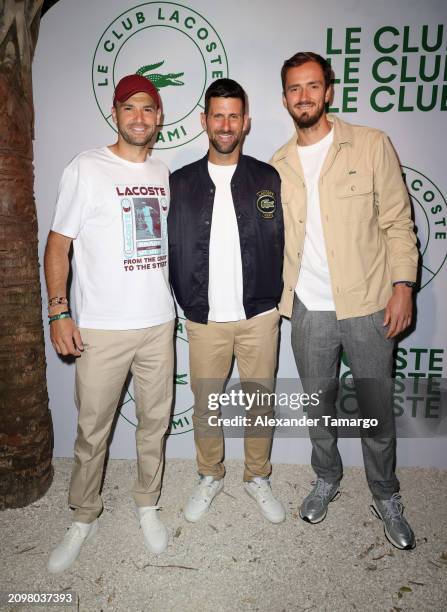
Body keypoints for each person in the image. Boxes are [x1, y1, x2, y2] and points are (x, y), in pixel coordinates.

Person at [270, 52, 419, 549]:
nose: (304, 96)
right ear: (285, 97)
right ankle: (327, 477)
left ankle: (385, 492)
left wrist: (403, 285)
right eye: (295, 88)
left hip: (368, 303)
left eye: (313, 86)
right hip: (308, 308)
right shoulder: (279, 164)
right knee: (319, 407)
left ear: (329, 91)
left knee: (375, 409)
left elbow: (398, 221)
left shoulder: (371, 144)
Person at [44, 74, 175, 573]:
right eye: (130, 108)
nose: (139, 117)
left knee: (154, 423)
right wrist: (59, 311)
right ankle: (84, 514)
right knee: (92, 430)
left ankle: (147, 502)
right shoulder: (86, 167)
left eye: (148, 109)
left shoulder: (163, 172)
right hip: (100, 327)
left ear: (158, 117)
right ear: (115, 113)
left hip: (158, 323)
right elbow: (58, 243)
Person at [168, 78, 285, 524]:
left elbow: (285, 240)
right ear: (204, 120)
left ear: (246, 122)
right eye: (217, 115)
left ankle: (257, 476)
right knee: (206, 404)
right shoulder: (179, 183)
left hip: (258, 314)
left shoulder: (266, 177)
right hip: (204, 318)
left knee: (260, 400)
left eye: (234, 115)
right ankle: (209, 475)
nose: (225, 124)